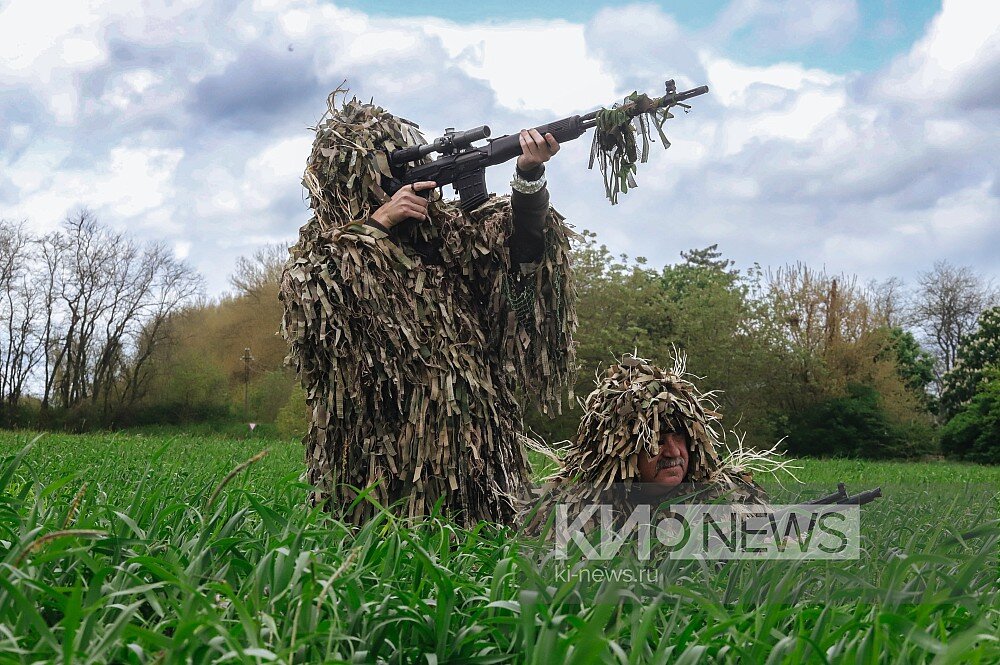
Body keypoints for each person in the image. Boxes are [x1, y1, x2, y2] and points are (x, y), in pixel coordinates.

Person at [280, 90, 578, 526]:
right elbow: (315, 306)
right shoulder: (322, 250)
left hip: (475, 445)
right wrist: (378, 224)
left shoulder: (444, 234)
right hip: (382, 457)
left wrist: (528, 178)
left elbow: (520, 251)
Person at [524, 353, 768, 533]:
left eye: (679, 437)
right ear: (619, 454)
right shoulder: (576, 514)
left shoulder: (728, 498)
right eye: (656, 441)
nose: (673, 452)